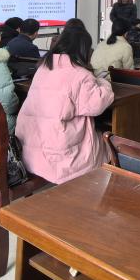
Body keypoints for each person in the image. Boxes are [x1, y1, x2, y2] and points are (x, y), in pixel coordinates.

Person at [16, 27, 115, 184]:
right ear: (83, 49)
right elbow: (97, 105)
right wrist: (104, 82)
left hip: (31, 150)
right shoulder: (80, 74)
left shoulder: (43, 67)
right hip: (61, 156)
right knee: (111, 144)